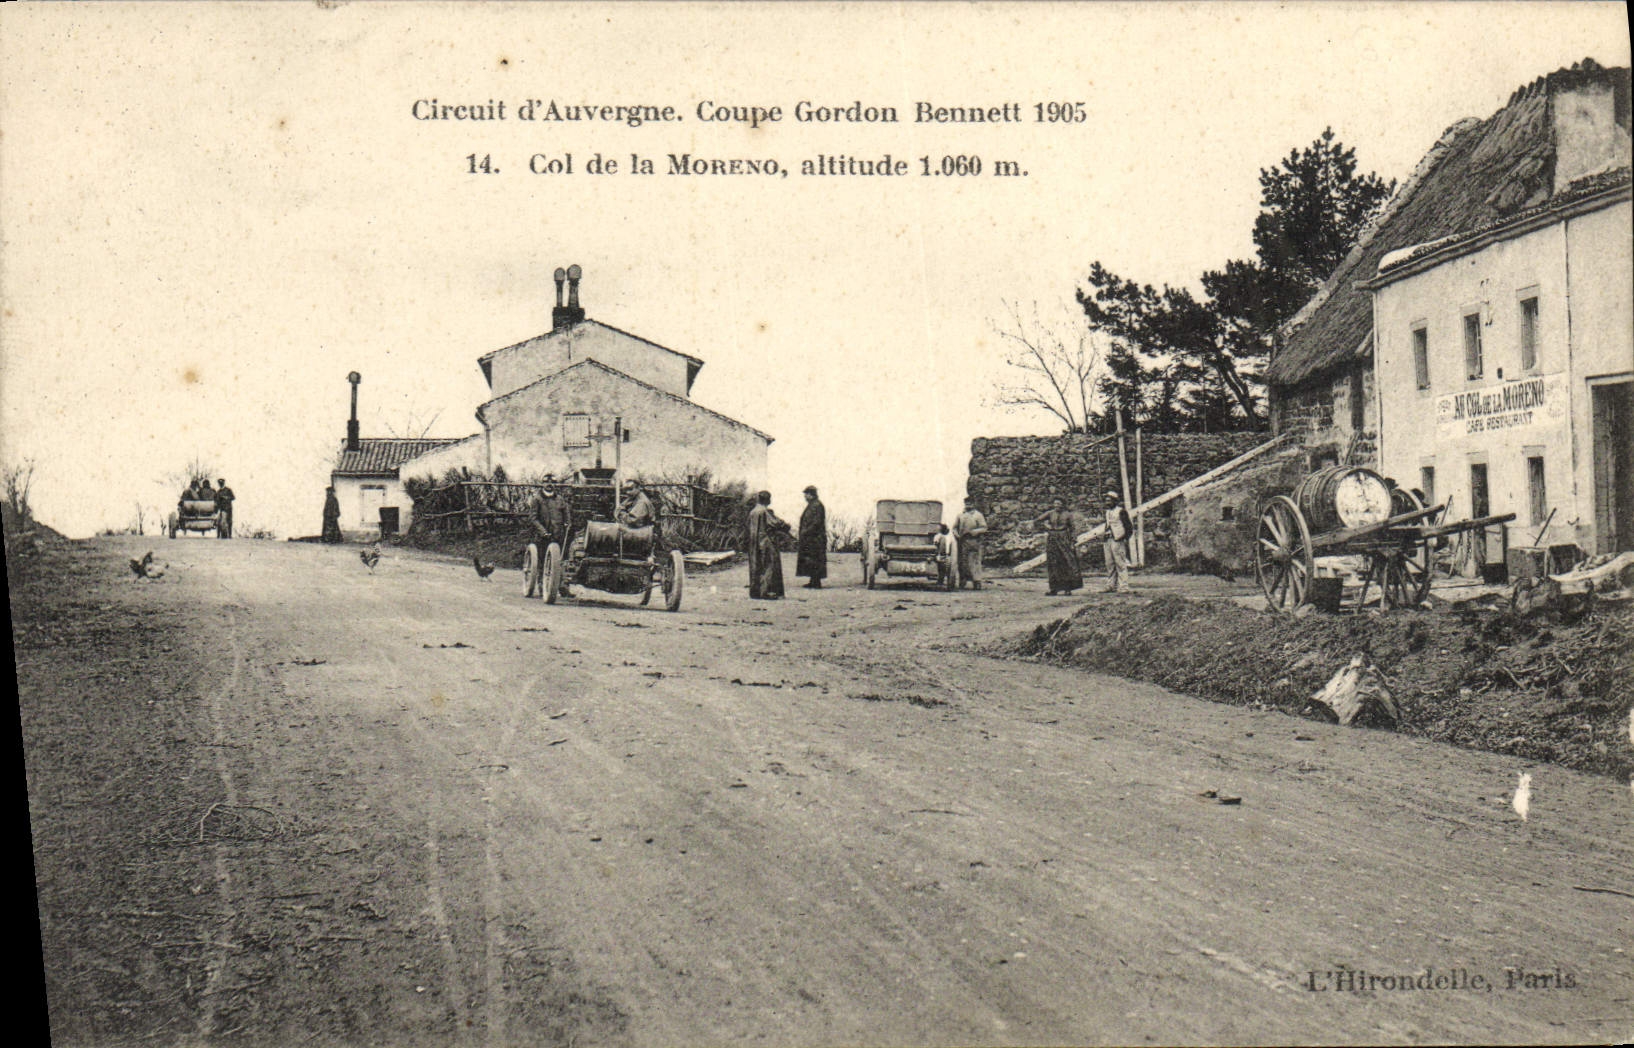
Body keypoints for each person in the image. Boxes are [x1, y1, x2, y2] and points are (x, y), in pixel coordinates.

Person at [747, 490, 788, 599]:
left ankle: (755, 591)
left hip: (753, 542)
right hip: (765, 541)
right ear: (767, 499)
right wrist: (784, 524)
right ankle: (765, 591)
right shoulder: (764, 511)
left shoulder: (753, 512)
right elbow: (774, 523)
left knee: (755, 566)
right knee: (768, 565)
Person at [1034, 497, 1081, 595]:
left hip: (1064, 538)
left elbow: (1073, 529)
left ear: (1063, 505)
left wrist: (1073, 541)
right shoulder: (1050, 513)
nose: (1057, 506)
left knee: (1065, 562)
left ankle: (1067, 589)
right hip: (1052, 539)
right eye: (1055, 504)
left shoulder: (1068, 515)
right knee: (1053, 563)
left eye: (1059, 504)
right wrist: (1047, 527)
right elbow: (1037, 521)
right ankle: (1053, 589)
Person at [953, 497, 989, 590]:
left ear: (974, 504)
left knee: (974, 561)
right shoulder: (960, 515)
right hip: (962, 541)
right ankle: (963, 580)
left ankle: (976, 581)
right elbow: (954, 528)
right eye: (966, 503)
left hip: (974, 541)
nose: (968, 505)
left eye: (970, 503)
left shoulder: (978, 515)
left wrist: (974, 532)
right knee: (962, 562)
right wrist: (956, 534)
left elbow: (984, 528)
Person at [796, 485, 827, 589]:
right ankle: (813, 580)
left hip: (815, 538)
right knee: (811, 559)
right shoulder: (813, 505)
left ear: (811, 495)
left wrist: (806, 532)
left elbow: (816, 522)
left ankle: (816, 582)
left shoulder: (817, 505)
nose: (805, 496)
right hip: (811, 538)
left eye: (806, 494)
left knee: (815, 559)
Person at [1102, 491, 1133, 593]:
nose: (1107, 502)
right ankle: (1111, 585)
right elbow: (1107, 525)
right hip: (1108, 540)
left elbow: (1129, 527)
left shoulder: (1121, 512)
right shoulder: (1107, 512)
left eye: (1109, 500)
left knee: (1120, 563)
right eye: (1106, 501)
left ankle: (1123, 586)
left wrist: (1122, 538)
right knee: (1109, 563)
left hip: (1117, 540)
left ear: (1115, 501)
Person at [933, 523, 956, 588]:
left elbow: (938, 546)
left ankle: (941, 581)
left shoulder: (939, 536)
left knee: (942, 569)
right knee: (942, 569)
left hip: (942, 555)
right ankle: (941, 580)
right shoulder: (945, 537)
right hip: (943, 555)